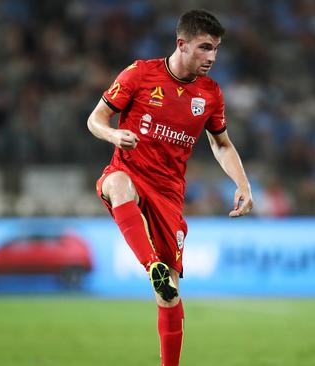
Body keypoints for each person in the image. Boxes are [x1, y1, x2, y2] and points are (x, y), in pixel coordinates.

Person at [86, 9, 253, 366]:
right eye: (205, 47)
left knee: (170, 297)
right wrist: (114, 133)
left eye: (216, 49)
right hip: (130, 172)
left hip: (169, 194)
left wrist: (242, 183)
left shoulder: (210, 94)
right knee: (116, 184)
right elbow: (95, 119)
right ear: (182, 44)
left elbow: (221, 144)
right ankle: (150, 266)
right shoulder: (140, 73)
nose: (212, 57)